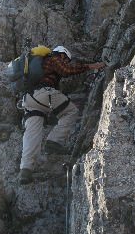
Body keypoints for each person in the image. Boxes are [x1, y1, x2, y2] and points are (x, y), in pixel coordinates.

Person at [19, 45, 105, 184]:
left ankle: (25, 170)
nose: (65, 62)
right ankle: (53, 141)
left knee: (32, 133)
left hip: (28, 100)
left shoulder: (37, 65)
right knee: (71, 111)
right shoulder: (53, 58)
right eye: (66, 59)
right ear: (62, 55)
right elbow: (65, 71)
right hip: (43, 94)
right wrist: (92, 66)